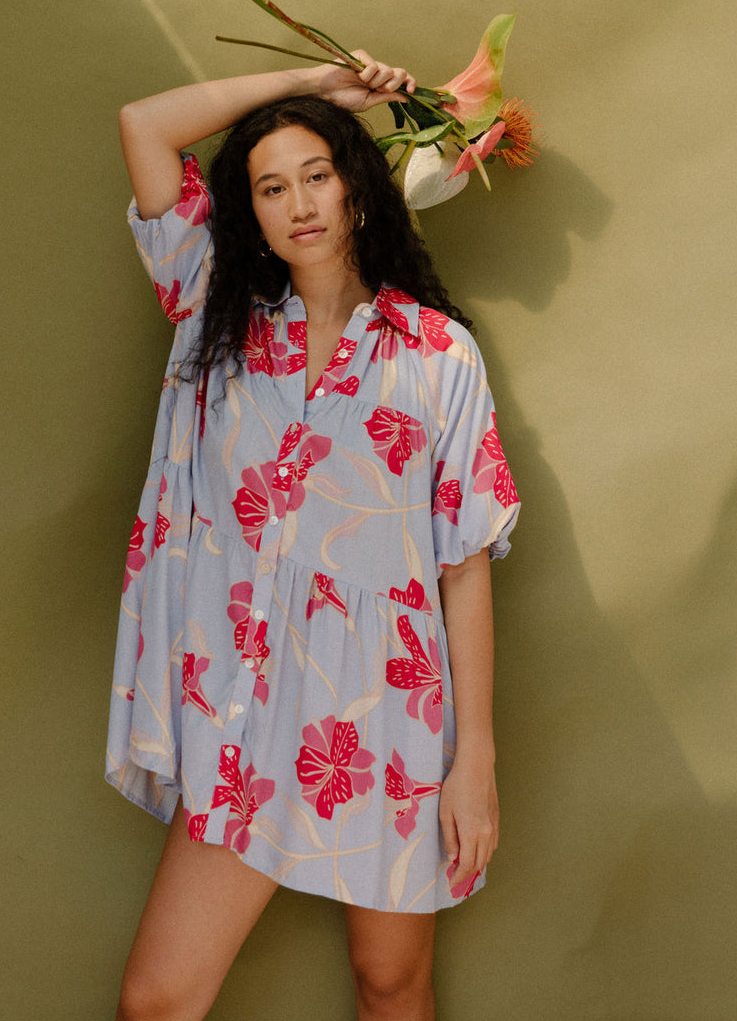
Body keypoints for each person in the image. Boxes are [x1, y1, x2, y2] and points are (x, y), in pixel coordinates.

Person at [108, 53, 520, 1021]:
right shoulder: (211, 307)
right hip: (243, 716)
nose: (297, 203)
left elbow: (461, 566)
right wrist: (316, 90)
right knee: (156, 1001)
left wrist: (474, 761)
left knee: (389, 986)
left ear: (357, 189)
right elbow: (142, 124)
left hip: (386, 716)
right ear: (246, 210)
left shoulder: (433, 353)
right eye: (269, 185)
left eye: (317, 174)